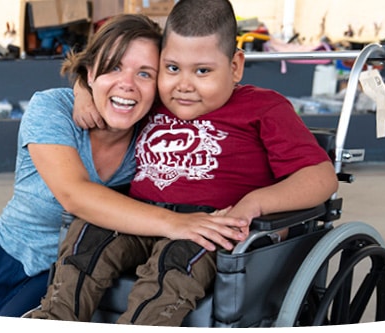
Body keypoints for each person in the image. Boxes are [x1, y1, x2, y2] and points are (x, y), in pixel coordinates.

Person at [26, 0, 339, 326]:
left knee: (174, 264)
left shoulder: (264, 109)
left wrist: (255, 203)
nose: (184, 85)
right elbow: (118, 83)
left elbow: (320, 178)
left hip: (208, 228)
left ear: (235, 66)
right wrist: (83, 92)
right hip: (143, 215)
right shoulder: (157, 99)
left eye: (203, 71)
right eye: (172, 68)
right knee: (88, 235)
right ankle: (54, 320)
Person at [0, 14, 248, 318]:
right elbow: (74, 195)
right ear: (90, 74)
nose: (127, 84)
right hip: (19, 261)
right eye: (114, 67)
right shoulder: (52, 110)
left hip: (96, 267)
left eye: (145, 74)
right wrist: (176, 223)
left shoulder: (156, 131)